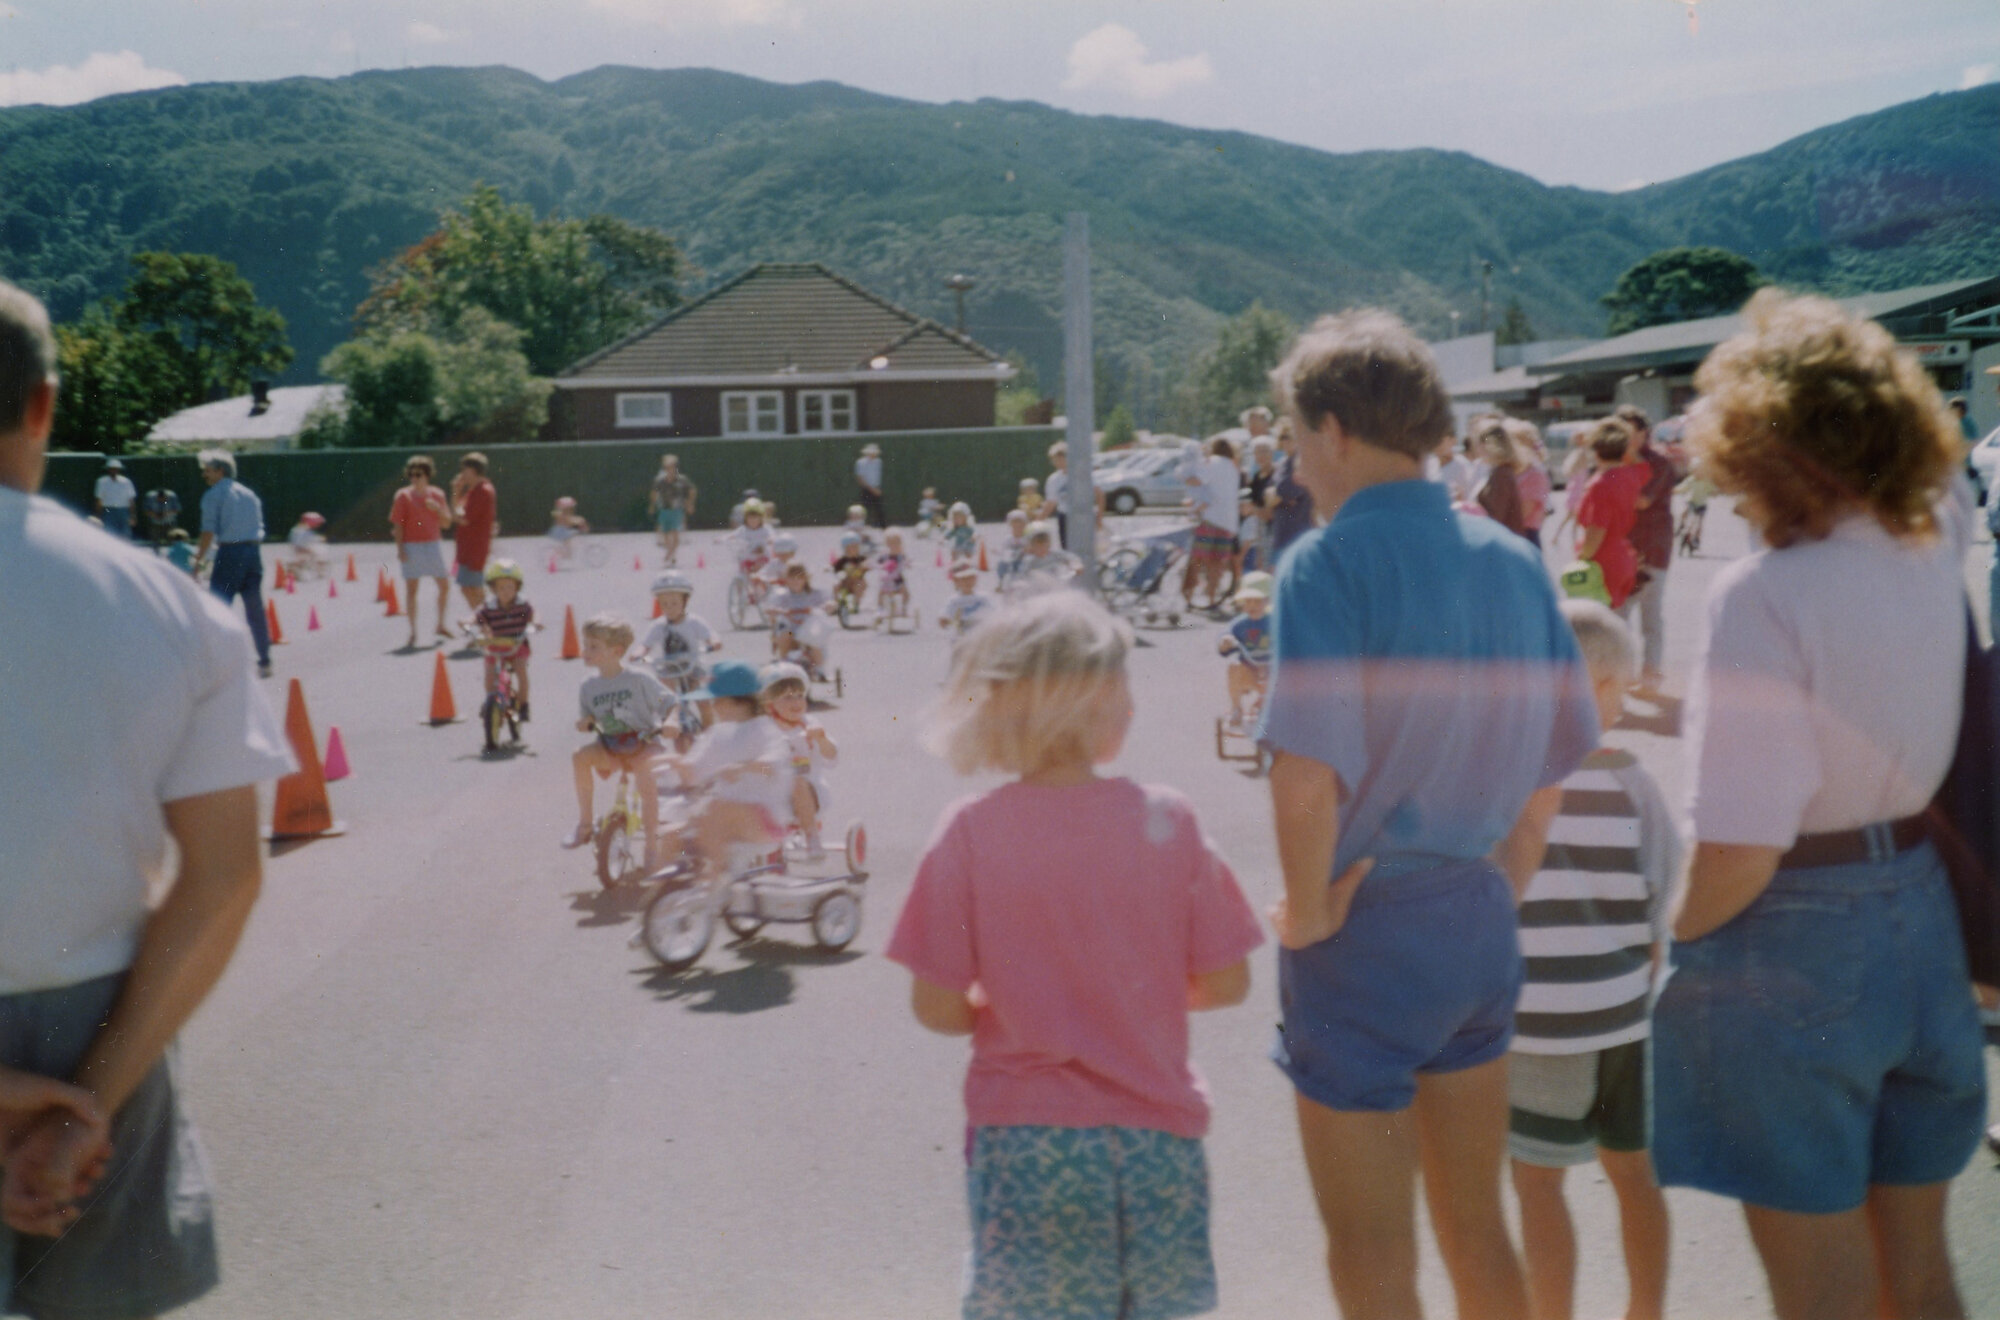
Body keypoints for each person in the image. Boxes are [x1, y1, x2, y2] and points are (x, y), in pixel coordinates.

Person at [1653, 290, 1986, 1320]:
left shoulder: (1764, 593)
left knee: (1820, 1291)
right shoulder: (1930, 548)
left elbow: (1740, 850)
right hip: (1921, 911)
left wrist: (1672, 945)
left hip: (1795, 936)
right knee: (1917, 1272)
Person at [1260, 308, 1599, 1320]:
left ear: (1333, 431)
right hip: (1476, 916)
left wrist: (1306, 910)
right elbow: (1552, 769)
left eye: (1294, 437)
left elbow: (1304, 773)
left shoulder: (1322, 563)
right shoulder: (1512, 558)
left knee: (1371, 1250)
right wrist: (1501, 883)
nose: (1293, 464)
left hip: (1363, 926)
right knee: (1476, 1226)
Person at [0, 276, 294, 1317]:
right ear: (43, 406)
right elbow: (223, 878)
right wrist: (88, 1101)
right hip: (99, 1029)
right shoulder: (172, 609)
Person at [888, 591, 1263, 1320]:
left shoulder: (969, 832)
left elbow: (936, 1007)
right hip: (1157, 1140)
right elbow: (1227, 981)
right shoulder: (1169, 818)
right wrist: (1132, 994)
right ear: (1100, 702)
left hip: (1027, 1141)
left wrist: (1015, 1001)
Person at [1507, 601, 1673, 1320]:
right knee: (1635, 1174)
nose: (1624, 706)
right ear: (1598, 689)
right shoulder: (1633, 780)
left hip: (1541, 1017)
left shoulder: (1508, 781)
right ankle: (1644, 1311)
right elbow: (1663, 891)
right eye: (1621, 691)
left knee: (1538, 1183)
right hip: (1624, 1013)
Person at [655, 661, 794, 883]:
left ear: (734, 701)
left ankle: (715, 880)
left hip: (765, 822)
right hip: (721, 819)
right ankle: (664, 891)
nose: (713, 706)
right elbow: (693, 773)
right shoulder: (717, 733)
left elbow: (772, 767)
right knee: (672, 833)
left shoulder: (765, 730)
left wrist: (745, 767)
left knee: (718, 809)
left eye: (716, 700)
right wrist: (674, 762)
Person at [562, 614, 674, 861]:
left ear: (616, 651)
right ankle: (585, 824)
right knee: (580, 757)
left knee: (646, 780)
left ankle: (651, 843)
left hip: (644, 743)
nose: (586, 651)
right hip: (611, 745)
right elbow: (588, 718)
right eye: (585, 644)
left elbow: (669, 703)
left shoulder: (638, 679)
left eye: (594, 646)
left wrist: (671, 721)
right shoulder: (588, 685)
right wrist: (585, 722)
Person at [194, 449, 274, 677]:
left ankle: (217, 663)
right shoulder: (249, 494)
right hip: (252, 553)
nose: (204, 475)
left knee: (218, 607)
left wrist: (198, 560)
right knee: (254, 608)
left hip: (230, 553)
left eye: (207, 470)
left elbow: (208, 531)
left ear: (220, 471)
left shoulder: (213, 495)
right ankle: (265, 660)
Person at [1616, 405, 1677, 692]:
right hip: (1623, 546)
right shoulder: (1617, 461)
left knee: (1649, 612)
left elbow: (1642, 501)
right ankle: (1624, 673)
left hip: (1653, 545)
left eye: (1631, 431)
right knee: (1620, 613)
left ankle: (1651, 673)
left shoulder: (1659, 463)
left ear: (1644, 433)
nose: (1625, 438)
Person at [758, 661, 837, 859]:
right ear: (769, 704)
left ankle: (812, 836)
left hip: (810, 793)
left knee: (797, 782)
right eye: (787, 697)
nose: (796, 702)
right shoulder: (764, 728)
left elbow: (832, 757)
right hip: (773, 792)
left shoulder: (810, 725)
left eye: (800, 696)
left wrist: (822, 739)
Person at [1572, 418, 1647, 610]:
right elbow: (1643, 468)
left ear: (1596, 449)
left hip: (1601, 561)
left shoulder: (1600, 483)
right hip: (1623, 556)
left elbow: (1597, 530)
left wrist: (1582, 559)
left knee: (1595, 623)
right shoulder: (1629, 475)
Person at [390, 454, 455, 647]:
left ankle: (440, 624)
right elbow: (398, 525)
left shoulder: (437, 494)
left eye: (418, 474)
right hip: (412, 546)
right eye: (411, 474)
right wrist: (400, 549)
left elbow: (447, 523)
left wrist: (437, 509)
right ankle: (413, 632)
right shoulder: (403, 496)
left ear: (427, 475)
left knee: (444, 586)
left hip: (432, 545)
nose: (414, 478)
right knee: (412, 590)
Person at [470, 558, 534, 721]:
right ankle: (490, 700)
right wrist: (468, 622)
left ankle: (524, 705)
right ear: (493, 589)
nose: (506, 591)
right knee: (490, 676)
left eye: (510, 587)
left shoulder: (521, 606)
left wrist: (535, 623)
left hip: (516, 646)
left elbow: (531, 615)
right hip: (495, 647)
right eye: (501, 588)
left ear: (517, 587)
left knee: (521, 672)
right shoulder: (489, 606)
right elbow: (478, 617)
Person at [1183, 436, 1243, 611]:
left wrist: (1184, 477)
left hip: (1210, 519)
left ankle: (1189, 597)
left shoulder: (1211, 462)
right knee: (1217, 563)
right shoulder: (1233, 466)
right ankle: (1211, 598)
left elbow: (1198, 480)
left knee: (1198, 559)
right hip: (1228, 523)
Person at [1219, 570, 1272, 731]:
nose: (1252, 606)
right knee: (1234, 667)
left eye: (1257, 601)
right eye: (1248, 601)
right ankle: (1236, 708)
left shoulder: (1275, 621)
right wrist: (1226, 642)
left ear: (1268, 601)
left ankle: (1266, 707)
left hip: (1272, 669)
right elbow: (1226, 637)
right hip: (1249, 668)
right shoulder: (1240, 624)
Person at [450, 452, 498, 616]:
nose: (462, 473)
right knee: (468, 587)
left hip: (475, 549)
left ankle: (489, 621)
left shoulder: (483, 491)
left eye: (464, 470)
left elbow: (462, 518)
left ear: (473, 470)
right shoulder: (473, 491)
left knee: (473, 588)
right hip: (467, 548)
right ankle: (485, 621)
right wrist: (456, 491)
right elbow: (457, 512)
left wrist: (455, 496)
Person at [1266, 416, 1316, 564]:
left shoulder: (1302, 462)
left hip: (1299, 533)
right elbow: (1267, 497)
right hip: (1281, 534)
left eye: (1289, 436)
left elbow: (1284, 490)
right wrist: (1276, 496)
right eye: (1282, 437)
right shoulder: (1282, 464)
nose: (1286, 441)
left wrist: (1276, 495)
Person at [767, 562, 832, 675]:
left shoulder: (814, 594)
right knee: (785, 634)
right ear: (786, 579)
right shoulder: (781, 595)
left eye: (799, 578)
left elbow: (827, 602)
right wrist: (776, 610)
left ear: (806, 579)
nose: (795, 581)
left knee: (815, 640)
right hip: (791, 629)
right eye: (792, 578)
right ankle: (784, 663)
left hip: (808, 629)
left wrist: (828, 605)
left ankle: (819, 669)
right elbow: (771, 607)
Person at [1472, 416, 1527, 537]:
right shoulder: (1500, 471)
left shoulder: (1501, 474)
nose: (1477, 449)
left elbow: (1495, 517)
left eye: (1480, 443)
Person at [1507, 418, 1552, 549]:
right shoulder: (1518, 470)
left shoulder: (1534, 472)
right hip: (1516, 532)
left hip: (1525, 534)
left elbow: (1524, 512)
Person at [648, 454, 696, 566]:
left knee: (675, 533)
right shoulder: (660, 480)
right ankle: (669, 551)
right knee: (665, 533)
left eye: (672, 467)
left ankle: (671, 554)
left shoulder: (682, 480)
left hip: (677, 509)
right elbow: (654, 493)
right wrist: (652, 505)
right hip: (664, 509)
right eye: (667, 467)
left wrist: (690, 504)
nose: (670, 470)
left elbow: (692, 491)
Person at [938, 561, 993, 636]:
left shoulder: (983, 598)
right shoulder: (954, 601)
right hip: (961, 636)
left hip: (981, 635)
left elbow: (994, 613)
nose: (967, 581)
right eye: (963, 579)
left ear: (975, 578)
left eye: (970, 578)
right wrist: (944, 620)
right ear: (956, 581)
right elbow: (945, 614)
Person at [92, 457, 136, 539]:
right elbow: (99, 499)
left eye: (116, 469)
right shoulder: (101, 482)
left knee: (125, 534)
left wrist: (132, 516)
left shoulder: (126, 481)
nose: (114, 471)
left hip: (124, 511)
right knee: (109, 533)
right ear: (108, 469)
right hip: (108, 511)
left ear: (119, 470)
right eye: (112, 469)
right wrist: (98, 516)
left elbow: (131, 500)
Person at [875, 528, 910, 619]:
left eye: (897, 543)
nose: (894, 546)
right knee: (881, 592)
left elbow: (906, 562)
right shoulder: (884, 556)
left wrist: (908, 563)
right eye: (891, 543)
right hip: (886, 578)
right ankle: (880, 608)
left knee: (905, 592)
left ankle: (904, 608)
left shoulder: (901, 556)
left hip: (897, 579)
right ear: (886, 544)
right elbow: (877, 563)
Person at [854, 441, 885, 530]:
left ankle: (883, 527)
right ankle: (858, 527)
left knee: (879, 508)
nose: (873, 454)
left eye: (874, 453)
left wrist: (877, 489)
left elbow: (877, 476)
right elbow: (860, 478)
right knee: (863, 509)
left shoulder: (879, 462)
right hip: (866, 489)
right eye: (871, 453)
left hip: (876, 488)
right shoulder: (860, 462)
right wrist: (871, 489)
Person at [285, 510, 327, 577]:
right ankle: (293, 572)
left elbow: (311, 540)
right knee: (317, 557)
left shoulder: (307, 530)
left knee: (320, 555)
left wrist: (319, 539)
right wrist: (310, 551)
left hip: (305, 551)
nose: (318, 525)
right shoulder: (300, 531)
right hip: (301, 551)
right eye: (316, 523)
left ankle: (320, 572)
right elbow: (298, 545)